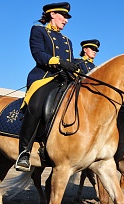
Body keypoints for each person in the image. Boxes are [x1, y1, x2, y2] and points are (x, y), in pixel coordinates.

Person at [15, 2, 79, 172]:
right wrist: (59, 62)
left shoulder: (67, 41)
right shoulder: (38, 30)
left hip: (65, 79)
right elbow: (38, 54)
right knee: (36, 105)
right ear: (52, 15)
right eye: (63, 16)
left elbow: (71, 62)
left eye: (67, 18)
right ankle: (24, 152)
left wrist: (74, 69)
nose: (66, 20)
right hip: (44, 77)